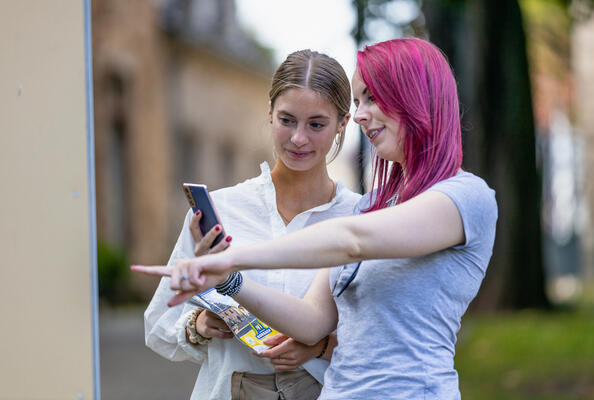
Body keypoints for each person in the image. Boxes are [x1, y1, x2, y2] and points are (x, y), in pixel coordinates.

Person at [135, 38, 498, 399]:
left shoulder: (467, 197)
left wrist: (232, 257)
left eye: (372, 97)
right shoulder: (371, 207)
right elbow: (311, 321)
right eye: (358, 101)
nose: (360, 114)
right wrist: (228, 280)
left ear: (415, 97)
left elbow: (352, 241)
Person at [143, 49, 360, 400]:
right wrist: (198, 326)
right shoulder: (220, 210)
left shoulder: (359, 218)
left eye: (316, 124)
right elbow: (157, 325)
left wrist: (320, 347)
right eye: (287, 120)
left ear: (342, 124)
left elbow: (385, 337)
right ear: (270, 112)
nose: (298, 138)